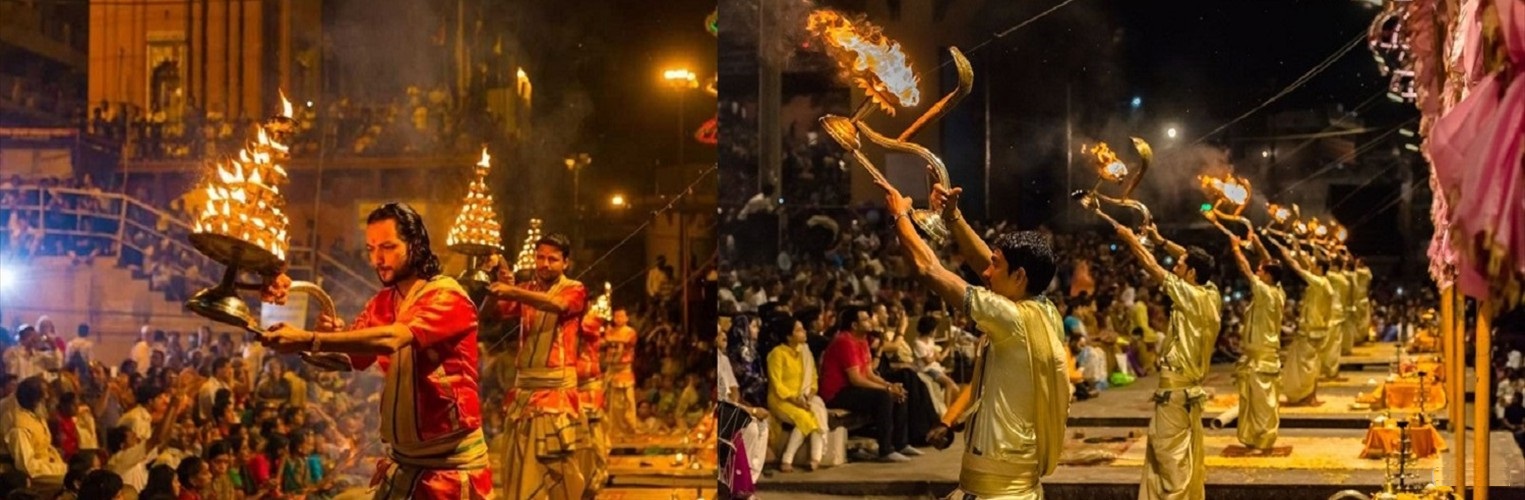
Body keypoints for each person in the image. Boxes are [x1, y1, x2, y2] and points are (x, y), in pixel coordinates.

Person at [258, 202, 492, 499]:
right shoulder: (381, 303)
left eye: (388, 247)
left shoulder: (446, 295)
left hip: (450, 470)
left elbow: (392, 338)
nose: (377, 259)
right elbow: (348, 359)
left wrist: (309, 339)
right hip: (403, 463)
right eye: (370, 249)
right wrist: (317, 340)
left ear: (416, 244)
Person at [882, 177, 1067, 499]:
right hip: (1018, 471)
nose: (986, 272)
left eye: (997, 265)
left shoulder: (1010, 318)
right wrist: (954, 219)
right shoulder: (1044, 309)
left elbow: (929, 269)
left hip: (995, 485)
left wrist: (900, 216)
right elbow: (984, 261)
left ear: (1020, 277)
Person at [1089, 201, 1220, 500]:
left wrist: (1131, 240)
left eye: (1182, 264)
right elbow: (1191, 259)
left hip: (1176, 391)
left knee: (1166, 450)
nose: (1177, 265)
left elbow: (1152, 266)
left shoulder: (1189, 295)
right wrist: (1161, 241)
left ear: (1192, 273)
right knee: (1176, 449)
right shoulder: (1210, 293)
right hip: (1187, 390)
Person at [483, 232, 590, 500]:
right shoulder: (527, 290)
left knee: (557, 470)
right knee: (519, 468)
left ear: (566, 263)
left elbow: (557, 304)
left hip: (555, 395)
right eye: (540, 257)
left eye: (552, 259)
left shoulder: (574, 289)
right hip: (524, 393)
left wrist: (513, 290)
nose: (544, 264)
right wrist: (497, 284)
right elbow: (488, 314)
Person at [1210, 215, 1285, 451]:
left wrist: (1235, 249)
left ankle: (1264, 440)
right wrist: (1258, 243)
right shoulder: (1278, 290)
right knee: (1253, 402)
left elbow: (1245, 269)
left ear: (1268, 276)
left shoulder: (1267, 293)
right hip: (1258, 357)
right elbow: (1268, 263)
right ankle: (1255, 438)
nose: (1258, 272)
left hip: (1263, 358)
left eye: (1261, 271)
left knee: (1263, 404)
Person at [1269, 238, 1334, 406]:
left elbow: (1299, 269)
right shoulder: (1322, 282)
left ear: (1319, 268)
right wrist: (1297, 248)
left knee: (1308, 366)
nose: (1311, 265)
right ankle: (1309, 396)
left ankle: (1307, 396)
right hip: (1314, 329)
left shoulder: (1320, 283)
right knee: (1310, 365)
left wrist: (1286, 256)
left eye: (1314, 264)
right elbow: (1305, 265)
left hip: (1312, 331)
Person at [766, 318, 829, 472]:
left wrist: (808, 397)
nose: (804, 332)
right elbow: (777, 384)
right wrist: (796, 401)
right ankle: (787, 459)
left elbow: (813, 379)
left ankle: (814, 458)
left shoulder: (805, 353)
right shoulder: (777, 354)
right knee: (805, 417)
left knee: (816, 414)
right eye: (799, 330)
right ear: (789, 336)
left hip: (803, 398)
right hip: (781, 399)